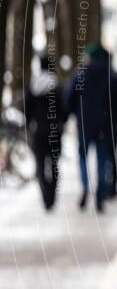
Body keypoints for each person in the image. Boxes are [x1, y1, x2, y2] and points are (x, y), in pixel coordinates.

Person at [64, 43, 117, 212]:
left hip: (85, 124)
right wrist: (113, 116)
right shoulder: (112, 76)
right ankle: (100, 194)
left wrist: (75, 113)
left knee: (83, 157)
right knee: (103, 160)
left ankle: (85, 184)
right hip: (105, 126)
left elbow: (69, 98)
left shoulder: (80, 75)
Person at [25, 54, 66, 211]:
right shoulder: (57, 85)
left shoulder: (32, 85)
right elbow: (63, 107)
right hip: (55, 130)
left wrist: (30, 124)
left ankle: (45, 197)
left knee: (40, 165)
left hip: (38, 131)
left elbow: (27, 109)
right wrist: (61, 122)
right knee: (54, 163)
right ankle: (52, 195)